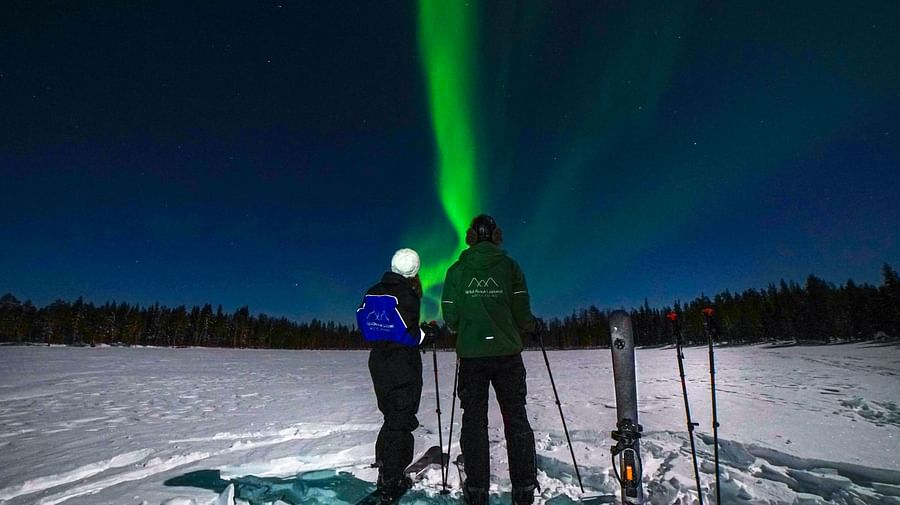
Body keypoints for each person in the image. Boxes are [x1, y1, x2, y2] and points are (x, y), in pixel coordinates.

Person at [440, 215, 538, 505]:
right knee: (516, 417)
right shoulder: (510, 267)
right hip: (507, 354)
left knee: (473, 421)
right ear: (496, 235)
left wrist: (462, 329)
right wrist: (529, 327)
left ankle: (478, 489)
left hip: (472, 356)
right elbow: (522, 308)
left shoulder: (457, 271)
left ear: (471, 236)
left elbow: (450, 314)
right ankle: (523, 488)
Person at [356, 248, 438, 502]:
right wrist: (428, 334)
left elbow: (365, 322)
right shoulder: (408, 294)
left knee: (390, 415)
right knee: (401, 419)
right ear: (414, 271)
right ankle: (391, 481)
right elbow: (409, 336)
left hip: (379, 361)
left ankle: (384, 466)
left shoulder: (373, 290)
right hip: (402, 363)